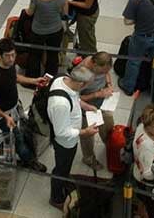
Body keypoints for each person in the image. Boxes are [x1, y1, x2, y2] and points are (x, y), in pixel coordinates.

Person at [0, 38, 48, 172]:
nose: (11, 59)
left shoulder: (9, 66)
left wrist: (34, 81)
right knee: (17, 140)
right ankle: (29, 161)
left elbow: (15, 77)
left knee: (20, 132)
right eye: (7, 56)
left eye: (13, 55)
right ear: (0, 55)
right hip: (4, 114)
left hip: (14, 107)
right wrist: (5, 117)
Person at [48, 66, 98, 209]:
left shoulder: (63, 79)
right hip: (65, 142)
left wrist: (85, 106)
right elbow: (61, 132)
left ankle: (64, 177)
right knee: (61, 168)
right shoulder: (60, 104)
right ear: (80, 83)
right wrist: (84, 132)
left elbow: (75, 98)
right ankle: (56, 198)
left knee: (65, 166)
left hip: (70, 138)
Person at [25, 0, 69, 78]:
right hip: (55, 30)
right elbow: (64, 14)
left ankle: (32, 78)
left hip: (38, 31)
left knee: (35, 55)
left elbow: (30, 13)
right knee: (53, 55)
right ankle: (49, 79)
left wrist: (26, 10)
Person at [75, 51, 115, 170]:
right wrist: (97, 94)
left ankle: (110, 146)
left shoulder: (100, 64)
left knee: (108, 124)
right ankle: (88, 158)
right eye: (102, 71)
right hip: (85, 108)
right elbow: (74, 97)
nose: (104, 73)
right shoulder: (82, 74)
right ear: (94, 65)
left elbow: (107, 73)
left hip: (101, 103)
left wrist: (108, 84)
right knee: (87, 135)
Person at [132, 103, 154, 218]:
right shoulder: (147, 147)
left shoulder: (141, 127)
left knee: (143, 200)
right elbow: (147, 173)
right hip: (147, 183)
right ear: (147, 126)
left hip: (138, 173)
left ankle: (141, 212)